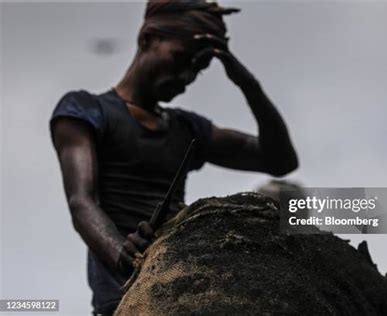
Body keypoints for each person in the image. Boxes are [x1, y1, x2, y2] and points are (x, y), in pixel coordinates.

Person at [50, 0, 298, 314]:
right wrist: (123, 255)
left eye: (198, 68)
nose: (187, 76)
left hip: (186, 286)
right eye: (180, 59)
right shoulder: (86, 110)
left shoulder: (187, 128)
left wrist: (248, 84)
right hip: (124, 298)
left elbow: (281, 161)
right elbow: (81, 202)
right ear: (147, 40)